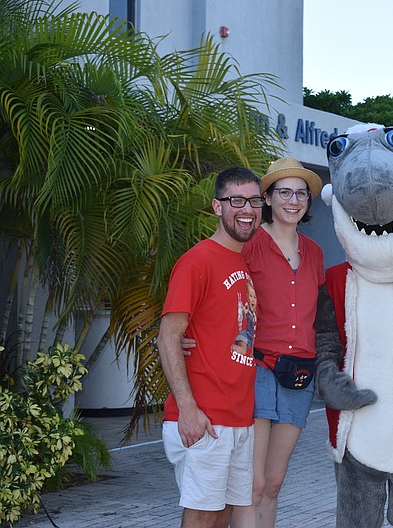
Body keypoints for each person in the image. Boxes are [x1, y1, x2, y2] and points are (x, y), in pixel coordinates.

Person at [157, 166, 264, 528]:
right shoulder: (197, 260)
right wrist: (187, 408)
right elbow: (168, 334)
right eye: (236, 200)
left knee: (222, 516)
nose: (246, 209)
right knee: (202, 517)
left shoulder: (240, 262)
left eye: (253, 201)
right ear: (217, 207)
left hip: (237, 417)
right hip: (204, 418)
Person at [238, 157, 325, 527]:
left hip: (300, 374)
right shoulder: (250, 243)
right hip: (257, 368)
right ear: (268, 198)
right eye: (284, 192)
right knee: (252, 485)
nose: (293, 200)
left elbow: (322, 316)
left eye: (301, 193)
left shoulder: (315, 253)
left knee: (273, 484)